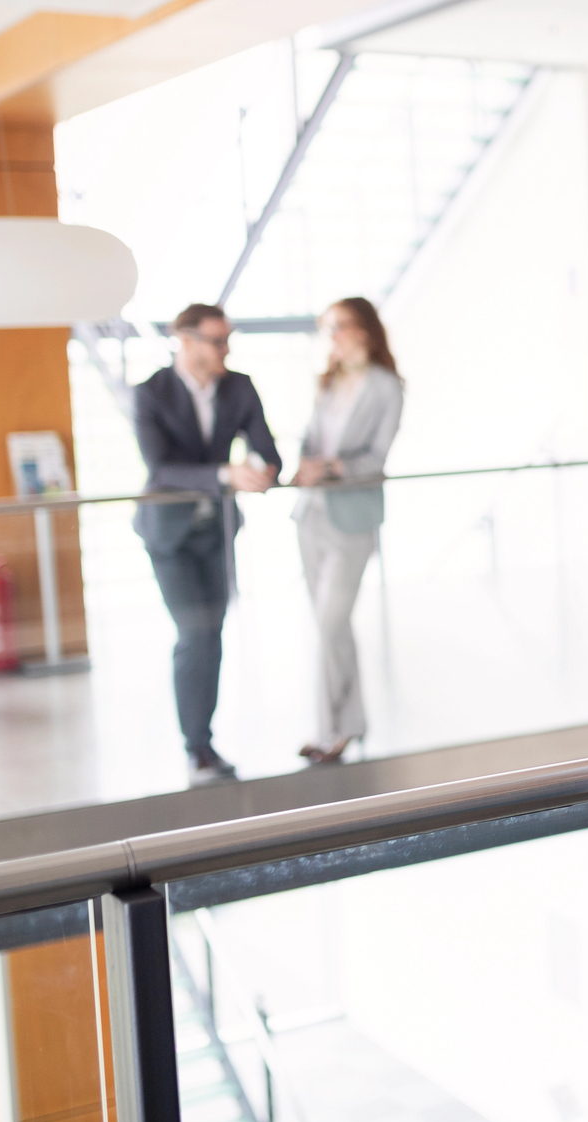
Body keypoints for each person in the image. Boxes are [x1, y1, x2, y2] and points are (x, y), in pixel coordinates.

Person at [132, 303, 281, 785]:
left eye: (228, 340)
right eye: (218, 341)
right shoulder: (150, 393)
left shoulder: (238, 387)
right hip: (168, 533)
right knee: (195, 633)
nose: (226, 350)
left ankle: (203, 741)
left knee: (211, 631)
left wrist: (263, 469)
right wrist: (224, 473)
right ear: (186, 340)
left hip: (216, 530)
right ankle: (197, 747)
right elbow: (161, 469)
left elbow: (268, 449)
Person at [290, 298, 405, 764]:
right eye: (327, 329)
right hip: (310, 515)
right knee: (331, 626)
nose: (331, 337)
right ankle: (351, 725)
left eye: (339, 327)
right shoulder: (329, 383)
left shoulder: (387, 387)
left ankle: (327, 732)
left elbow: (377, 459)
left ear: (364, 330)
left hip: (352, 518)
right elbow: (308, 439)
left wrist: (333, 467)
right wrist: (303, 464)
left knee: (330, 623)